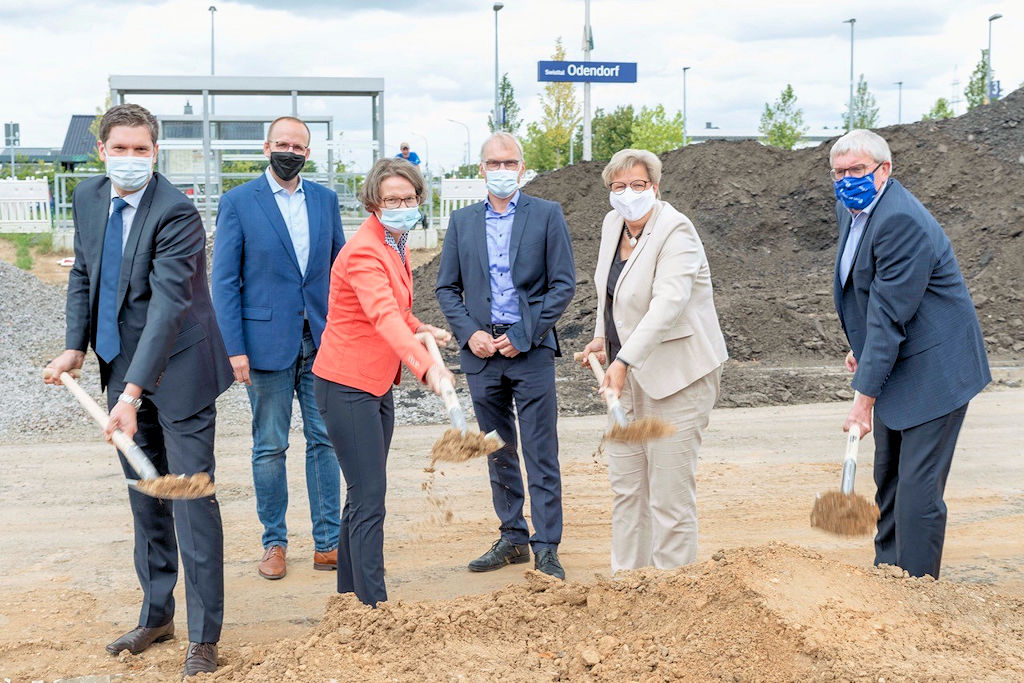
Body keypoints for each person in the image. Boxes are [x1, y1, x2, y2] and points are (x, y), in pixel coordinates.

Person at [43, 104, 233, 678]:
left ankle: (204, 637)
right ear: (101, 150)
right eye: (119, 149)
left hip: (180, 368)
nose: (130, 159)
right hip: (121, 364)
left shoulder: (176, 213)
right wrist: (76, 346)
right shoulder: (89, 198)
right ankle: (157, 615)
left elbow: (170, 306)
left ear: (156, 151)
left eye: (141, 149)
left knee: (188, 496)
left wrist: (130, 397)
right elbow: (84, 274)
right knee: (145, 494)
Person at [829, 129, 990, 579]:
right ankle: (889, 579)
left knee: (918, 493)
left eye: (857, 170)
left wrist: (863, 403)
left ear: (884, 170)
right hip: (899, 359)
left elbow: (890, 315)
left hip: (937, 370)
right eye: (838, 173)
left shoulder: (901, 220)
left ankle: (918, 595)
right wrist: (862, 351)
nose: (846, 181)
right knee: (890, 480)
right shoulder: (853, 209)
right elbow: (867, 291)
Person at [578, 148, 728, 573]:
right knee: (627, 488)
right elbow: (610, 292)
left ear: (655, 187)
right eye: (619, 186)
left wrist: (622, 361)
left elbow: (668, 304)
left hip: (678, 376)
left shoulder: (677, 231)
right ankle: (628, 584)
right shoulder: (613, 225)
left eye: (638, 185)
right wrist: (600, 339)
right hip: (627, 372)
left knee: (668, 494)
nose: (628, 194)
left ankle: (671, 593)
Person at [312, 157, 453, 607]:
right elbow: (381, 316)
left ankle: (351, 598)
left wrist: (423, 329)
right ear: (374, 202)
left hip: (374, 383)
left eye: (409, 198)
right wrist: (426, 367)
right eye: (392, 199)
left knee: (361, 493)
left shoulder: (396, 242)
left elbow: (399, 311)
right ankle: (374, 607)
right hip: (346, 384)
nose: (402, 205)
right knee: (370, 498)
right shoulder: (364, 250)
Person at [435, 132, 576, 580]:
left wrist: (524, 333)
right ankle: (513, 536)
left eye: (509, 162)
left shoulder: (548, 215)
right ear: (481, 169)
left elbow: (563, 285)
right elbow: (446, 287)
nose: (501, 170)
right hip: (482, 353)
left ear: (522, 167)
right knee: (497, 451)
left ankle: (546, 545)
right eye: (493, 163)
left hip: (529, 350)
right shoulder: (462, 222)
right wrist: (469, 333)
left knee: (540, 450)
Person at [212, 116, 345, 581]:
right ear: (267, 147)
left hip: (321, 341)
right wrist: (235, 348)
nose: (290, 151)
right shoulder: (238, 203)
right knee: (269, 446)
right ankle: (274, 542)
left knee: (324, 441)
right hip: (263, 344)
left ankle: (328, 542)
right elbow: (225, 281)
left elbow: (339, 272)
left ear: (309, 153)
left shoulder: (326, 202)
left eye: (299, 146)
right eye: (282, 143)